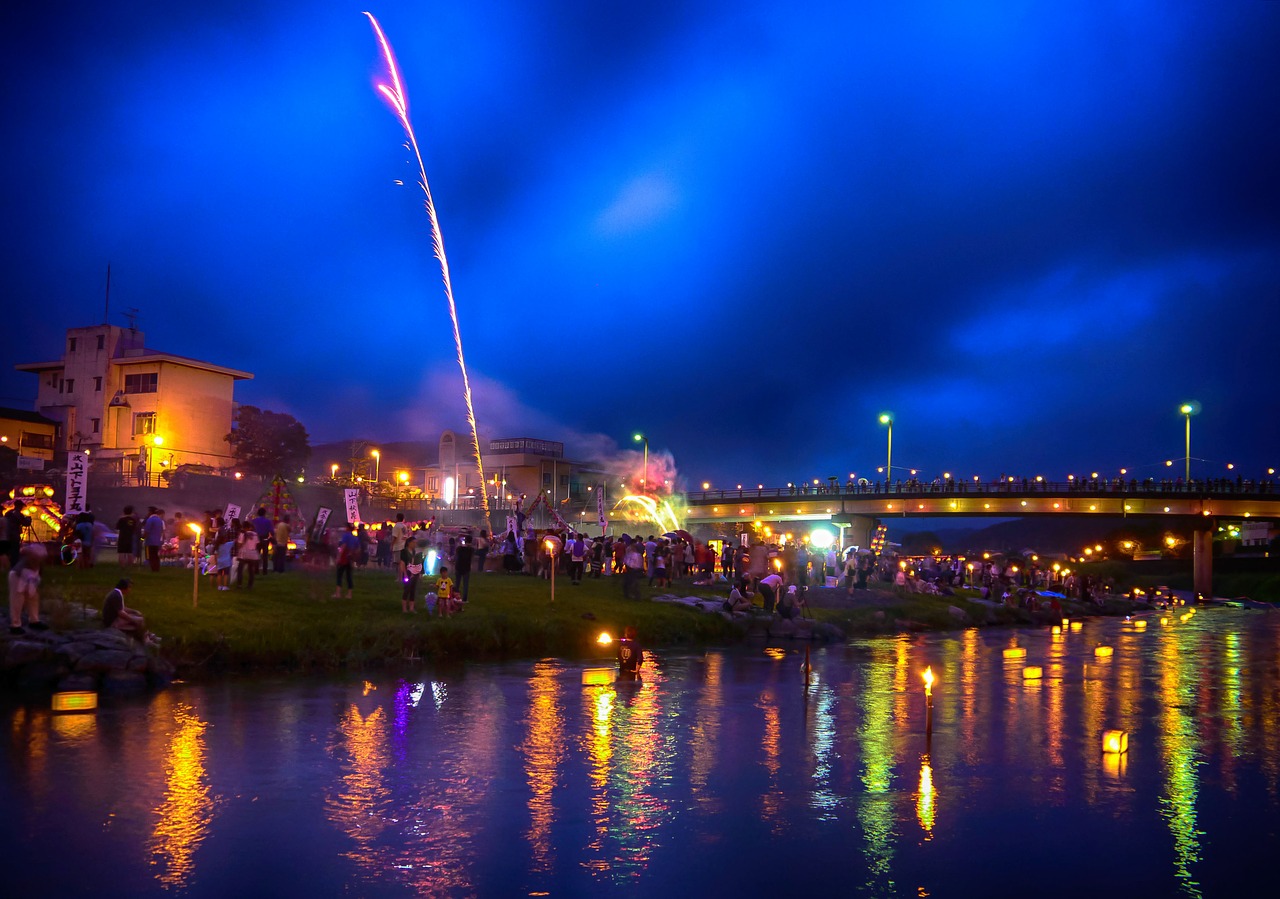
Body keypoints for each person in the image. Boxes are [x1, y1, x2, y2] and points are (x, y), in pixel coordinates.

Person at [102, 578, 157, 646]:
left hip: (115, 617)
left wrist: (134, 611)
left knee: (138, 616)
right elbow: (121, 612)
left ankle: (147, 635)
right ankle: (146, 640)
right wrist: (133, 619)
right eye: (129, 587)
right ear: (124, 587)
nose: (130, 590)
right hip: (112, 621)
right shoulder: (116, 595)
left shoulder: (117, 593)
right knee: (139, 620)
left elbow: (122, 608)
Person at [8, 543, 48, 635]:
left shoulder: (38, 561)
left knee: (33, 598)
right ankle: (15, 625)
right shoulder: (28, 559)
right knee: (17, 600)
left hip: (30, 577)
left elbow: (38, 571)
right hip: (18, 576)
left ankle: (34, 620)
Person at [399, 533, 424, 613]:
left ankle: (411, 608)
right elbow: (402, 563)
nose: (415, 544)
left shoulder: (415, 552)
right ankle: (404, 608)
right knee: (407, 590)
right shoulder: (404, 551)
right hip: (408, 573)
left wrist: (419, 573)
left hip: (415, 573)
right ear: (409, 543)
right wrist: (405, 574)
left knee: (413, 590)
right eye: (413, 542)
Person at [333, 525, 359, 599]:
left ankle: (338, 593)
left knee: (339, 575)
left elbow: (343, 546)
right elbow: (357, 548)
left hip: (344, 557)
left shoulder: (346, 536)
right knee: (349, 576)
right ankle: (349, 594)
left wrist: (338, 557)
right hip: (350, 558)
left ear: (347, 528)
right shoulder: (354, 537)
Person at [236, 523, 260, 589]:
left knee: (240, 569)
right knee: (251, 570)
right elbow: (257, 544)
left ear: (243, 527)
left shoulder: (243, 534)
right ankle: (250, 585)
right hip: (253, 554)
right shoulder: (255, 534)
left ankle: (239, 585)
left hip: (243, 554)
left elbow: (240, 544)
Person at [251, 508, 273, 574]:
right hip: (265, 539)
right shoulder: (268, 521)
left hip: (256, 539)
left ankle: (256, 570)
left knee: (256, 554)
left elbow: (251, 529)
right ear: (264, 513)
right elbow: (271, 531)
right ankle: (264, 571)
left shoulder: (254, 521)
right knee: (265, 555)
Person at [143, 507, 165, 572]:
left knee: (150, 556)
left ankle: (152, 569)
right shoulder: (159, 520)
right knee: (156, 555)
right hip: (157, 541)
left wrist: (141, 538)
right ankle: (157, 568)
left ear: (150, 512)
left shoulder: (150, 520)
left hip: (150, 541)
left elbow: (146, 531)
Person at [454, 537, 474, 602]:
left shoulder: (459, 548)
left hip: (458, 567)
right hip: (466, 568)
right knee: (465, 584)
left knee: (457, 583)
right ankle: (464, 599)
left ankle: (455, 597)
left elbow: (456, 554)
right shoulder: (471, 550)